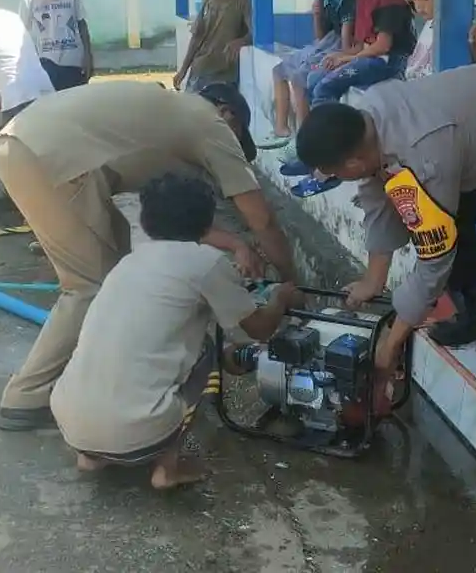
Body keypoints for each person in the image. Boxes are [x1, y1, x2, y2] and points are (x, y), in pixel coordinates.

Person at [0, 80, 299, 431]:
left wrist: (236, 244)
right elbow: (262, 219)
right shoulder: (210, 123)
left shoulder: (167, 121)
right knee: (90, 287)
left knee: (122, 274)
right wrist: (290, 282)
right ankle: (26, 397)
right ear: (228, 113)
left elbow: (178, 221)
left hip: (32, 144)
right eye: (236, 138)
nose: (229, 149)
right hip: (47, 155)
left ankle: (113, 378)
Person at [294, 61, 476, 377]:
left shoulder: (424, 152)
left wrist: (391, 346)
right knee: (446, 218)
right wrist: (373, 280)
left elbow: (435, 256)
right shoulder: (365, 122)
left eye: (335, 173)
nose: (337, 177)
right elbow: (377, 194)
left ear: (352, 163)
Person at [50, 173, 302, 489]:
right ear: (207, 224)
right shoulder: (206, 262)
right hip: (138, 435)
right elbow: (261, 329)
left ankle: (93, 456)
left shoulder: (128, 263)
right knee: (206, 351)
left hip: (70, 423)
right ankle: (167, 469)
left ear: (145, 219)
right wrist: (280, 298)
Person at [259, 0, 356, 149]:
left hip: (340, 48)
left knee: (300, 77)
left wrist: (342, 57)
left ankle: (304, 136)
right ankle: (281, 128)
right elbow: (320, 36)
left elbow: (347, 41)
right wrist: (317, 15)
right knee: (279, 71)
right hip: (326, 43)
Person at [305, 0, 415, 106]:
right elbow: (363, 43)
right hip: (369, 58)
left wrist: (348, 59)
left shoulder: (390, 0)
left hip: (388, 62)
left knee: (324, 88)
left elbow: (382, 47)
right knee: (314, 77)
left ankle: (332, 131)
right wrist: (341, 55)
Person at [174, 0, 253, 92]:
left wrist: (242, 40)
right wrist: (183, 70)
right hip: (199, 70)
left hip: (224, 75)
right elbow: (197, 38)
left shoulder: (245, 0)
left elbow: (256, 32)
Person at [19, 0, 93, 91]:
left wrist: (88, 57)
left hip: (73, 62)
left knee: (75, 107)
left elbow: (82, 24)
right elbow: (23, 37)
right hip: (46, 65)